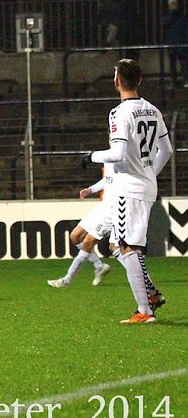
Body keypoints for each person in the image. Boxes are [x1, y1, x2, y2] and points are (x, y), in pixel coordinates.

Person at [81, 59, 172, 324]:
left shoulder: (118, 113)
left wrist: (91, 156)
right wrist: (149, 173)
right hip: (146, 186)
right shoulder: (153, 110)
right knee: (119, 245)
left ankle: (145, 309)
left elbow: (118, 153)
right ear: (140, 80)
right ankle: (151, 295)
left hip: (128, 188)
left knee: (125, 246)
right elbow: (166, 150)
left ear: (117, 81)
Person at [46, 166, 114, 288]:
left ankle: (66, 280)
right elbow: (108, 180)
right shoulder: (110, 157)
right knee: (75, 236)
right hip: (104, 206)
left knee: (93, 243)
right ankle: (99, 267)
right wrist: (90, 190)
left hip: (114, 209)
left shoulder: (123, 155)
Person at [162, 0, 187, 88]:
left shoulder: (181, 16)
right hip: (172, 42)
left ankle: (185, 80)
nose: (173, 6)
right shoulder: (168, 16)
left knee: (183, 63)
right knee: (173, 64)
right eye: (172, 4)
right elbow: (165, 24)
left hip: (180, 42)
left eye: (174, 4)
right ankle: (174, 81)